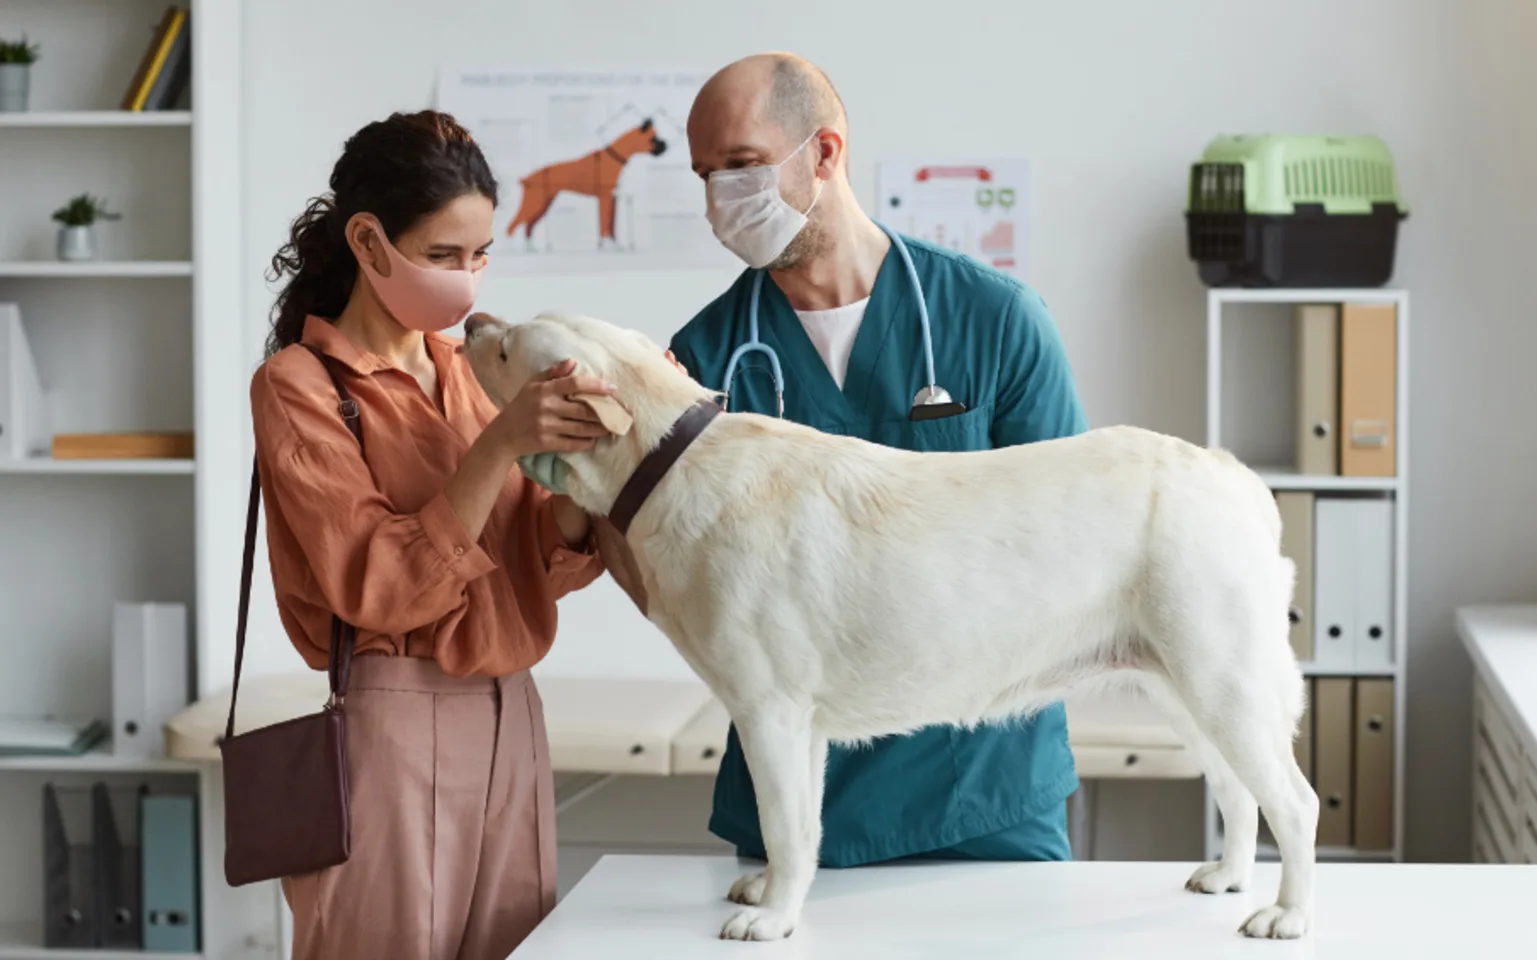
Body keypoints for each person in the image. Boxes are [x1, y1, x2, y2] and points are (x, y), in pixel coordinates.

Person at [670, 53, 1090, 869]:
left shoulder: (995, 321)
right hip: (797, 799)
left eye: (744, 166)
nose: (722, 197)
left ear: (825, 152)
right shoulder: (704, 361)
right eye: (706, 175)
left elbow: (1071, 537)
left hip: (981, 783)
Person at [251, 110, 616, 959]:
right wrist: (500, 443)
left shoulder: (466, 371)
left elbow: (538, 565)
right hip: (395, 722)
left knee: (514, 947)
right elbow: (377, 583)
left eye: (482, 254)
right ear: (371, 244)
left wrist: (584, 463)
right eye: (444, 255)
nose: (469, 280)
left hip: (514, 712)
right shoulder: (299, 386)